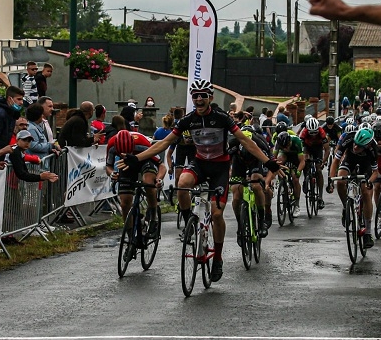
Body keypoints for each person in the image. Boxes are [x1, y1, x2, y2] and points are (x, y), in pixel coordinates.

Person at [118, 79, 281, 283]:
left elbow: (245, 141)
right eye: (195, 96)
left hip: (220, 168)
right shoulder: (188, 120)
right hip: (200, 164)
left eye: (203, 95)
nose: (199, 99)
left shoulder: (222, 118)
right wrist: (137, 158)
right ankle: (189, 225)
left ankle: (218, 258)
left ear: (210, 98)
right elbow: (165, 143)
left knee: (216, 213)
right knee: (182, 184)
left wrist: (269, 161)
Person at [328, 127, 379, 249]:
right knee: (340, 181)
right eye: (355, 144)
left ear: (367, 145)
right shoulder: (348, 138)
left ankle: (367, 232)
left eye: (359, 146)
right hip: (349, 160)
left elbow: (375, 172)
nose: (355, 148)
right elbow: (336, 161)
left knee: (366, 193)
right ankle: (346, 206)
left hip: (365, 165)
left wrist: (370, 182)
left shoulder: (373, 149)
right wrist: (331, 179)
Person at [106, 130, 165, 232]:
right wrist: (112, 173)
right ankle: (130, 237)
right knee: (125, 203)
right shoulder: (111, 145)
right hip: (126, 165)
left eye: (128, 152)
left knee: (148, 183)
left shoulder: (142, 144)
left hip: (145, 161)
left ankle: (153, 218)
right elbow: (108, 166)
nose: (125, 154)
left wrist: (159, 179)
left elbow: (161, 165)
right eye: (122, 153)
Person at [229, 126, 272, 239]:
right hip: (239, 163)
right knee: (236, 194)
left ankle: (262, 221)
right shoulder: (233, 142)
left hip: (255, 161)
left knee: (256, 186)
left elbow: (269, 155)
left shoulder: (259, 141)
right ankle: (240, 226)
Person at [0, 86, 24, 159]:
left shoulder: (12, 113)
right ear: (10, 99)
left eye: (22, 99)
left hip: (0, 155)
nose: (21, 102)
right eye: (19, 99)